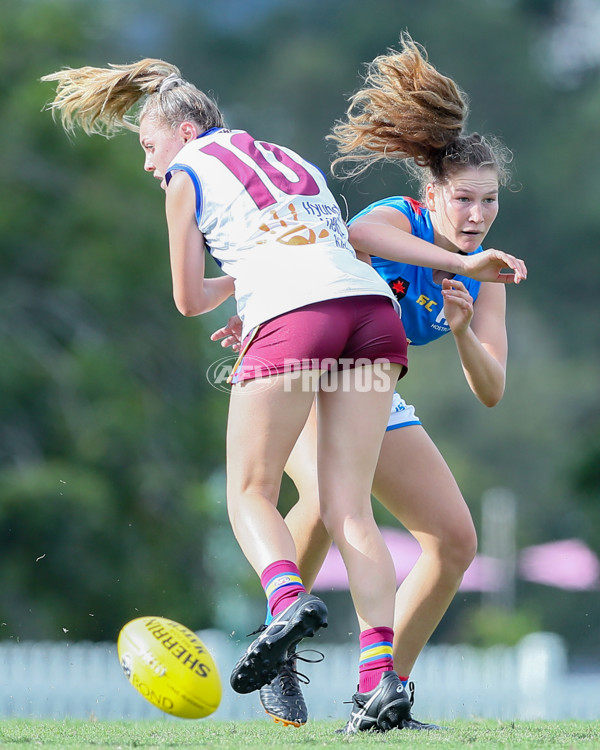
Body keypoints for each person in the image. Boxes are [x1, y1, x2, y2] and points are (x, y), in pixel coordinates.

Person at [41, 59, 426, 733]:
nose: (147, 163)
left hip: (294, 319)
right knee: (349, 510)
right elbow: (313, 247)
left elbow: (188, 299)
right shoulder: (288, 155)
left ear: (185, 131)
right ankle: (378, 685)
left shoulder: (186, 175)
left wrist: (244, 289)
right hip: (369, 315)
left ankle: (285, 600)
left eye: (148, 146)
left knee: (248, 488)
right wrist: (250, 284)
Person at [212, 32, 527, 732]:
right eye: (463, 200)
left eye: (489, 202)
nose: (476, 217)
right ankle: (282, 643)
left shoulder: (486, 272)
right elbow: (358, 239)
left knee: (454, 541)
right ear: (431, 194)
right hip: (300, 365)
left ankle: (381, 698)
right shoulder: (394, 218)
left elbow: (491, 388)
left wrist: (464, 327)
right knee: (329, 497)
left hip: (370, 384)